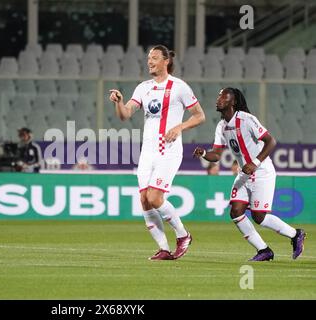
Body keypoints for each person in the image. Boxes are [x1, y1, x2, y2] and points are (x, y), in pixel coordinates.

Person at [109, 45, 205, 260]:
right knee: (144, 199)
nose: (149, 61)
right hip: (148, 152)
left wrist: (179, 127)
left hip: (168, 150)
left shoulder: (180, 87)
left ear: (166, 61)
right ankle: (163, 248)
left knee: (154, 196)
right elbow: (125, 115)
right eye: (148, 58)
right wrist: (119, 102)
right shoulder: (143, 88)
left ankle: (183, 235)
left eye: (154, 58)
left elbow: (200, 116)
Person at [193, 87, 306, 261]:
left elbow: (271, 141)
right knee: (236, 211)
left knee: (259, 217)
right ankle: (264, 250)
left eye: (223, 96)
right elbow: (216, 155)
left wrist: (255, 162)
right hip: (244, 174)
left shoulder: (246, 119)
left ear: (233, 102)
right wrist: (203, 154)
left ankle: (295, 234)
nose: (218, 99)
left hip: (261, 171)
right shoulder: (221, 126)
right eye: (218, 96)